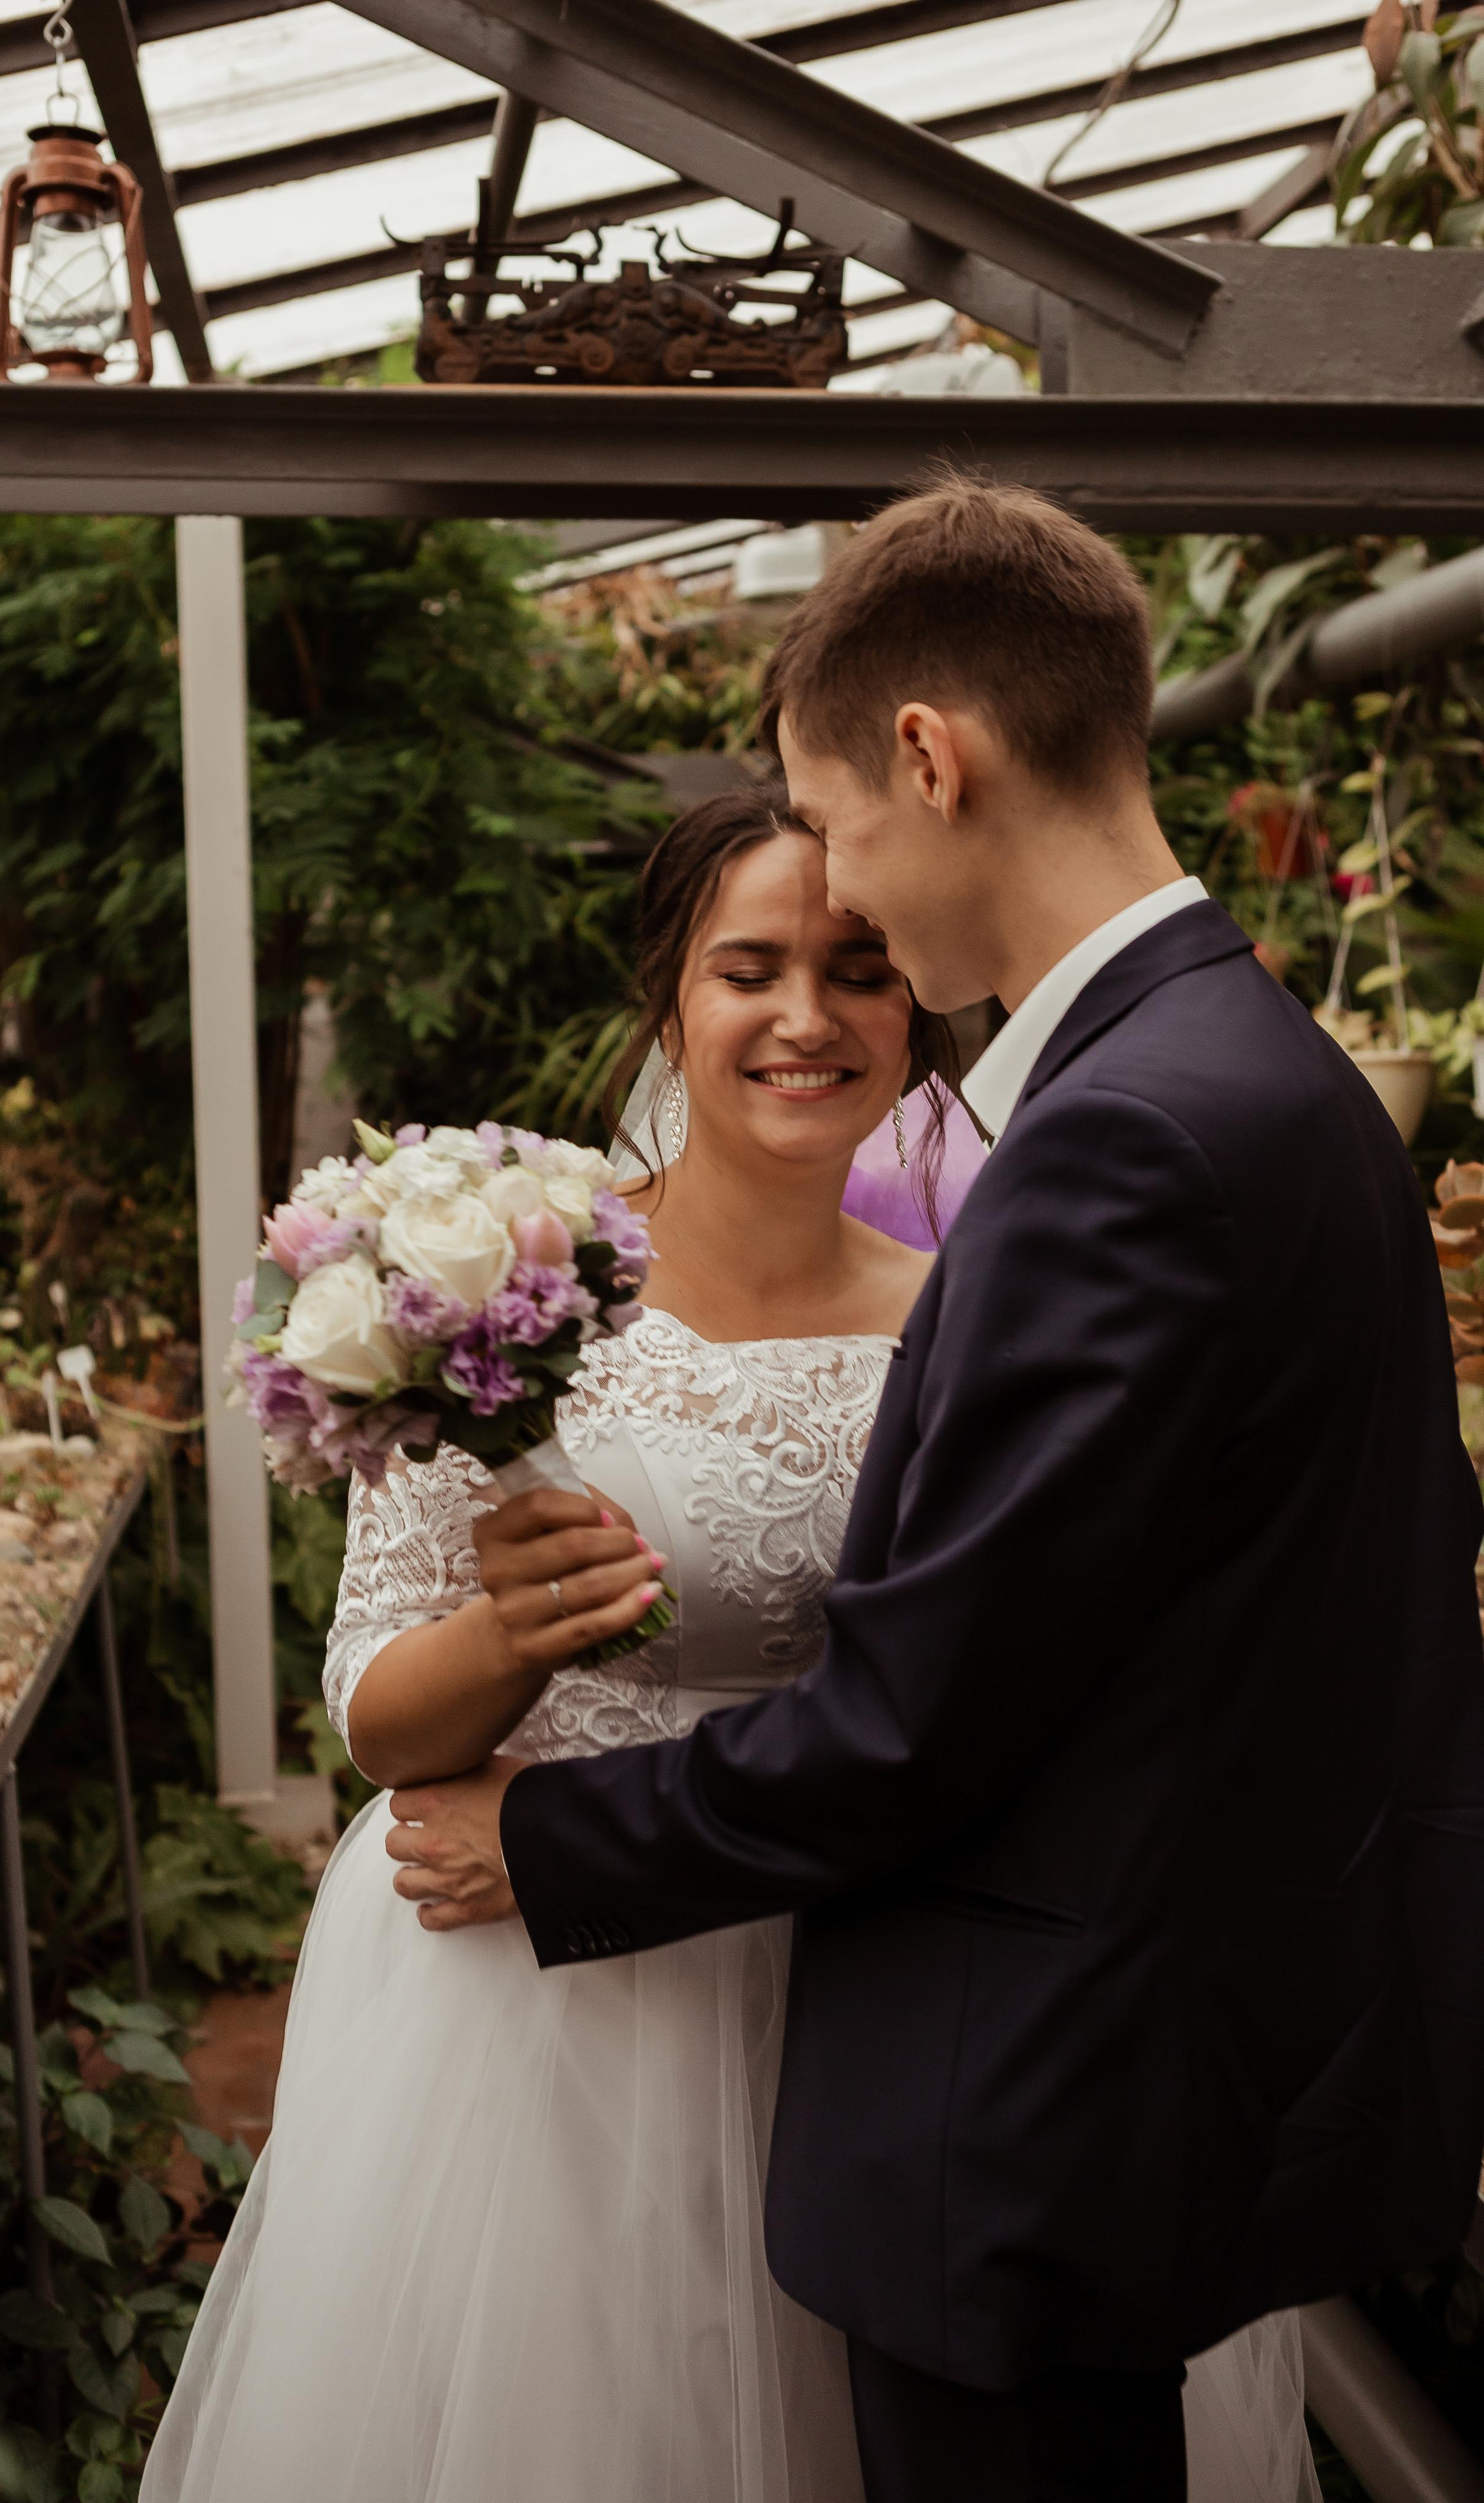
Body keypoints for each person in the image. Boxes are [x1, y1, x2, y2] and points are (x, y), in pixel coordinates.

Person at [387, 480, 1484, 2503]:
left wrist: (545, 1833)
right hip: (1180, 2049)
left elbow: (917, 1717)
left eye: (846, 831)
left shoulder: (1121, 1140)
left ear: (928, 756)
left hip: (1035, 2102)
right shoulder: (1276, 1075)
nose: (857, 907)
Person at [141, 774, 1317, 2503]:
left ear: (914, 1001)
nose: (806, 1018)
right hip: (539, 2019)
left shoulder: (973, 1319)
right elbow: (381, 1727)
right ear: (669, 1001)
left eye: (858, 970)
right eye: (748, 970)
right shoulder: (514, 1298)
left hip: (878, 1997)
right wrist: (516, 1639)